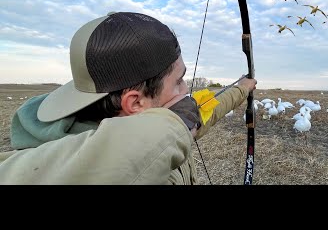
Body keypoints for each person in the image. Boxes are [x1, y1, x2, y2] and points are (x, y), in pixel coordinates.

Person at [0, 11, 257, 184]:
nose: (185, 88)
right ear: (135, 103)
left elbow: (199, 114)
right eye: (178, 80)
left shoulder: (163, 123)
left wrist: (242, 88)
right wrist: (172, 127)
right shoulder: (32, 167)